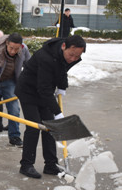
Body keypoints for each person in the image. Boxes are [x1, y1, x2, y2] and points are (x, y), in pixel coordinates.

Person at [15, 35, 86, 179]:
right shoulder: (45, 57)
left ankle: (50, 164)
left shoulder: (67, 56)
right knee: (35, 126)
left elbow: (62, 68)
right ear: (64, 46)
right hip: (28, 91)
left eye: (77, 56)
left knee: (50, 127)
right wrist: (57, 112)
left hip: (44, 91)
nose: (73, 59)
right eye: (71, 55)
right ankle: (26, 165)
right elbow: (44, 90)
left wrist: (62, 86)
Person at [0, 33, 31, 147]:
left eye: (16, 49)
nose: (13, 51)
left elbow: (29, 66)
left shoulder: (23, 49)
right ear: (6, 44)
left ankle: (14, 136)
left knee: (14, 109)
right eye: (11, 48)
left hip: (10, 81)